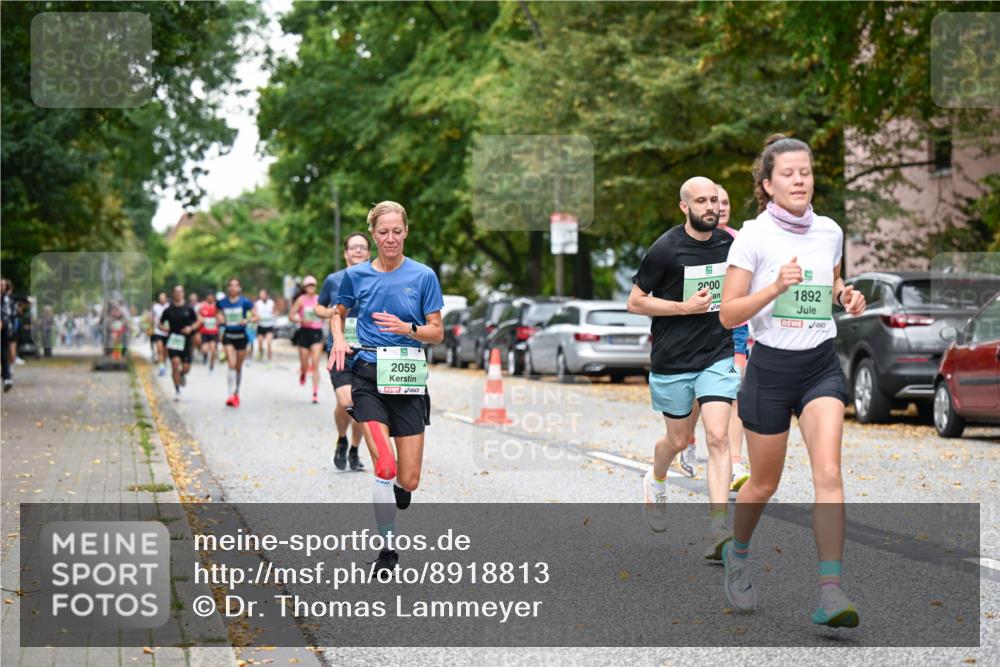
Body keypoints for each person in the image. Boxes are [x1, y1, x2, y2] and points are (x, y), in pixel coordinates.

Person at [719, 134, 865, 627]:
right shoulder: (753, 238)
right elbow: (728, 313)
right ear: (768, 184)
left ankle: (830, 591)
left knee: (828, 474)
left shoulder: (829, 231)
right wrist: (775, 287)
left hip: (820, 363)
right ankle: (737, 553)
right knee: (763, 483)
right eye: (788, 173)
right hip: (771, 369)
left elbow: (833, 281)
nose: (799, 179)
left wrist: (845, 296)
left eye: (805, 172)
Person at [328, 201, 444, 573]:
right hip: (369, 379)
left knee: (408, 479)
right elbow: (338, 313)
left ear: (405, 231)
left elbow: (437, 333)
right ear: (374, 235)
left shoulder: (424, 275)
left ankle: (398, 491)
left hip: (408, 380)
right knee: (386, 465)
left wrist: (407, 329)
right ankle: (387, 549)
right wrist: (338, 340)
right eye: (383, 232)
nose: (390, 238)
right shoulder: (357, 276)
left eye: (396, 231)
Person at [627, 176, 739, 561]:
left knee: (720, 436)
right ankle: (656, 478)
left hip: (717, 352)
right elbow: (636, 302)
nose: (711, 207)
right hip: (673, 359)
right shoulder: (666, 249)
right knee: (677, 441)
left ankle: (717, 527)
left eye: (715, 200)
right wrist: (682, 308)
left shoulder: (732, 244)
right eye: (702, 201)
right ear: (685, 207)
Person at [316, 232, 372, 471]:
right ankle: (341, 438)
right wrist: (334, 313)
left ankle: (355, 449)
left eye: (362, 247)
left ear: (368, 253)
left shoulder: (377, 279)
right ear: (346, 253)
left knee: (361, 405)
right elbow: (318, 307)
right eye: (353, 247)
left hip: (367, 351)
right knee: (346, 400)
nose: (358, 251)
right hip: (339, 350)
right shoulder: (333, 280)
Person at [717, 184, 752, 492]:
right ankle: (687, 441)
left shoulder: (740, 240)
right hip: (700, 329)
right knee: (698, 400)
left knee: (733, 393)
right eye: (716, 201)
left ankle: (736, 463)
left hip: (736, 328)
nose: (723, 206)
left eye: (727, 201)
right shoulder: (688, 241)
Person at [217, 278, 256, 407]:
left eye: (236, 286)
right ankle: (230, 394)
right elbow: (217, 315)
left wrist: (247, 320)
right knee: (231, 364)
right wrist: (220, 318)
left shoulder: (245, 302)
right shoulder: (222, 303)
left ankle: (237, 392)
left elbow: (256, 316)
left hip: (241, 336)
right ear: (228, 288)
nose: (233, 288)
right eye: (231, 286)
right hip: (228, 335)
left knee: (238, 367)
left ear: (239, 288)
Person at [158, 285, 201, 401]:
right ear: (173, 294)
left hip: (186, 340)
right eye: (176, 292)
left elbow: (198, 321)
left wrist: (191, 328)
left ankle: (182, 375)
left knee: (186, 368)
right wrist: (164, 329)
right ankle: (177, 390)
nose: (178, 294)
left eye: (180, 292)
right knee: (175, 364)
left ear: (183, 293)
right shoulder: (168, 310)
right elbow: (160, 323)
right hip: (173, 339)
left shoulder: (188, 308)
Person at [290, 276, 325, 403]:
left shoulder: (320, 299)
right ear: (305, 287)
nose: (311, 287)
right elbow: (291, 316)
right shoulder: (301, 300)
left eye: (313, 285)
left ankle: (315, 393)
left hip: (316, 332)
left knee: (315, 363)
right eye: (309, 285)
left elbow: (326, 313)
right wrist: (300, 320)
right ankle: (303, 372)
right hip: (304, 333)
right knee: (305, 365)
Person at [198, 292, 221, 371]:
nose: (210, 298)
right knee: (204, 349)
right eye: (209, 297)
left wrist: (218, 320)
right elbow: (198, 316)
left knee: (213, 349)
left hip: (214, 332)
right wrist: (201, 319)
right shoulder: (202, 306)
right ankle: (205, 356)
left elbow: (220, 317)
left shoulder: (217, 306)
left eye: (212, 297)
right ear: (207, 297)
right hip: (205, 332)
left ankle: (212, 364)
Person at [255, 289, 276, 362]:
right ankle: (261, 352)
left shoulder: (271, 303)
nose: (262, 296)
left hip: (269, 326)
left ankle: (269, 358)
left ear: (266, 295)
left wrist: (274, 315)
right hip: (260, 326)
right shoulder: (257, 303)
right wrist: (257, 317)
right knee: (260, 343)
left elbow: (274, 311)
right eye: (260, 294)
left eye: (263, 294)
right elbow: (255, 313)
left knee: (269, 342)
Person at [151, 293, 169, 376]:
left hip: (168, 331)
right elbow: (152, 317)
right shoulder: (155, 307)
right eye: (160, 297)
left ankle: (164, 364)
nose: (161, 299)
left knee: (165, 350)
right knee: (159, 349)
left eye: (163, 297)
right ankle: (161, 367)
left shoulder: (169, 307)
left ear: (166, 298)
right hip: (158, 331)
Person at [1, 279, 13, 392]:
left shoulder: (6, 298)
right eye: (1, 285)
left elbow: (6, 313)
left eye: (4, 285)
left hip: (4, 331)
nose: (2, 287)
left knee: (4, 355)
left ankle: (7, 378)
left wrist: (2, 322)